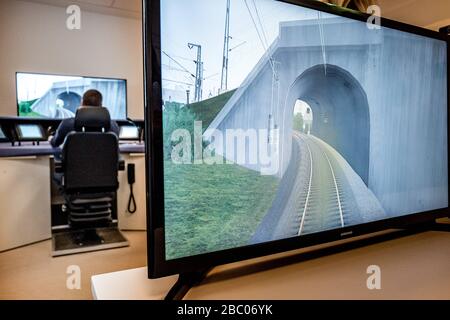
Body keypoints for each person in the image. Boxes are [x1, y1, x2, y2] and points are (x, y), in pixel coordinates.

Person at [49, 90, 119, 147]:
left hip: (75, 164)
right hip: (105, 164)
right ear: (101, 105)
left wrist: (50, 138)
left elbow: (55, 143)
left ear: (82, 103)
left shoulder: (67, 124)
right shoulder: (113, 125)